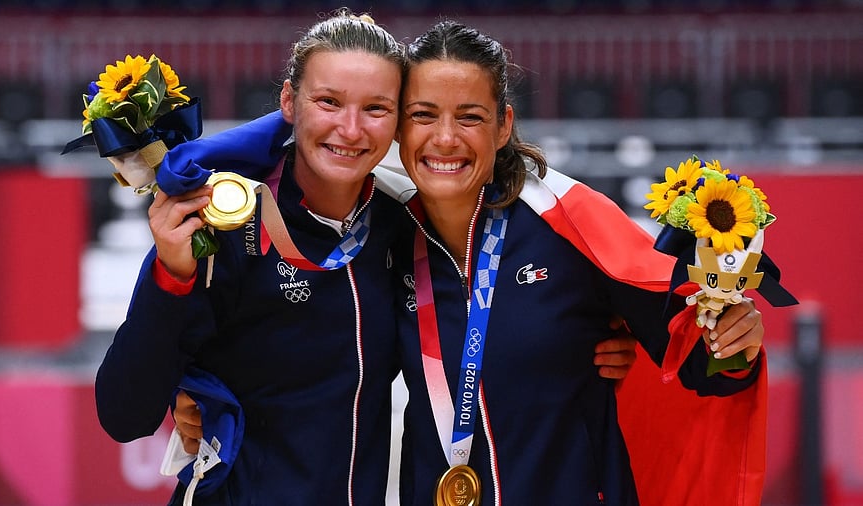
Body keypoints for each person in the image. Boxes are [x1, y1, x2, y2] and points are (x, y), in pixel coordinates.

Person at [94, 10, 638, 505]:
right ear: (289, 103)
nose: (351, 130)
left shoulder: (400, 227)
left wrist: (594, 335)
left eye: (376, 108)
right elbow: (123, 414)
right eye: (328, 102)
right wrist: (171, 277)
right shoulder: (225, 224)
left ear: (398, 122)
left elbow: (481, 321)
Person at [385, 21, 766, 505]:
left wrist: (735, 336)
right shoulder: (385, 237)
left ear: (503, 126)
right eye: (423, 114)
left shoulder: (571, 224)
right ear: (398, 124)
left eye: (470, 117)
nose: (445, 138)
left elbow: (698, 359)